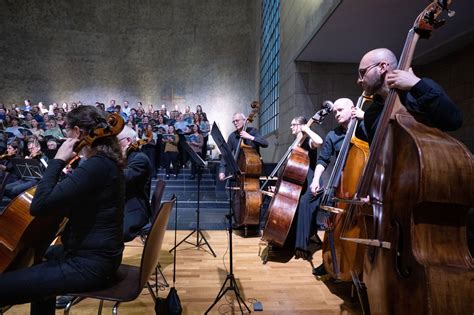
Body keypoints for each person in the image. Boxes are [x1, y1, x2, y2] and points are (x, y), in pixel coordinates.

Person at [0, 105, 125, 314]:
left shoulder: (96, 166)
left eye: (67, 130)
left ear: (77, 132)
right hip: (96, 257)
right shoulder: (105, 163)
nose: (65, 136)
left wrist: (58, 160)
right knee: (40, 256)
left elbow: (39, 206)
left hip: (89, 265)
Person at [355, 48, 462, 144]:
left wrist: (417, 84)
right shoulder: (371, 113)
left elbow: (453, 121)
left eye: (363, 72)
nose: (359, 80)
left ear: (382, 67)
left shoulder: (419, 89)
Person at [309, 98, 364, 275]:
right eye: (335, 112)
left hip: (361, 186)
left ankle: (359, 265)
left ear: (353, 109)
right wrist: (316, 179)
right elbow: (323, 159)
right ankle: (329, 261)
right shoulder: (333, 135)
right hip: (340, 187)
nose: (337, 114)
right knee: (332, 225)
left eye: (340, 110)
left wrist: (365, 118)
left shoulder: (364, 130)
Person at [287, 116, 324, 260]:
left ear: (301, 125)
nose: (291, 127)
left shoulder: (308, 141)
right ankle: (300, 239)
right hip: (300, 181)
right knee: (295, 206)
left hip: (311, 182)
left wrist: (307, 129)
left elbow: (319, 141)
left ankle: (301, 246)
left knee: (303, 205)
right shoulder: (297, 141)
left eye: (293, 124)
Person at [117, 125, 153, 242]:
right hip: (126, 203)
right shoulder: (130, 158)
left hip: (135, 208)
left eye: (117, 141)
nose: (114, 146)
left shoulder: (139, 158)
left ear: (128, 141)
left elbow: (123, 178)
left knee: (109, 233)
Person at [218, 112, 269, 181]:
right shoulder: (232, 136)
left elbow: (265, 143)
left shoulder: (253, 131)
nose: (235, 123)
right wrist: (222, 171)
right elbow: (226, 155)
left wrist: (250, 137)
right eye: (234, 122)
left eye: (237, 120)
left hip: (253, 171)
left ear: (244, 120)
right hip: (239, 172)